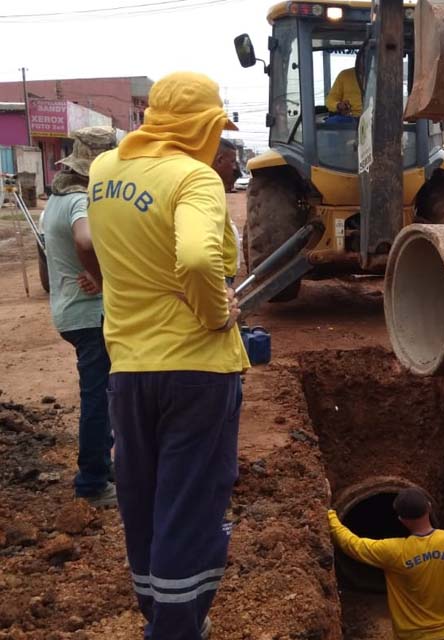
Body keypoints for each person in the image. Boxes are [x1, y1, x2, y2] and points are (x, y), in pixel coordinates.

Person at [86, 71, 249, 640]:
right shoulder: (195, 178)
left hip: (128, 368)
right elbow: (201, 261)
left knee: (143, 498)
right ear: (203, 126)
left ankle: (159, 615)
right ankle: (177, 630)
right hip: (197, 372)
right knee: (190, 504)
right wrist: (214, 313)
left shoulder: (102, 172)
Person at [41, 126, 118, 508]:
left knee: (105, 394)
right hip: (89, 315)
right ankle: (92, 482)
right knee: (98, 399)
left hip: (71, 312)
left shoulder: (55, 197)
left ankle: (103, 466)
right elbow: (86, 241)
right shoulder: (78, 200)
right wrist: (101, 278)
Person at [328, 487, 444, 640]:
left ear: (401, 520)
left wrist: (330, 514)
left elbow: (353, 545)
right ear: (429, 508)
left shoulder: (394, 551)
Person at [212, 138, 243, 283]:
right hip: (217, 275)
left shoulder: (215, 188)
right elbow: (196, 256)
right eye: (232, 162)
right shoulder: (206, 191)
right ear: (219, 160)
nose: (235, 168)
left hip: (223, 272)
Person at [325, 51, 365, 120]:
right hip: (350, 117)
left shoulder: (382, 77)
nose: (364, 62)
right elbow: (330, 100)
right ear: (357, 60)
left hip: (375, 118)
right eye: (362, 58)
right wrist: (339, 105)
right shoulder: (344, 75)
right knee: (333, 122)